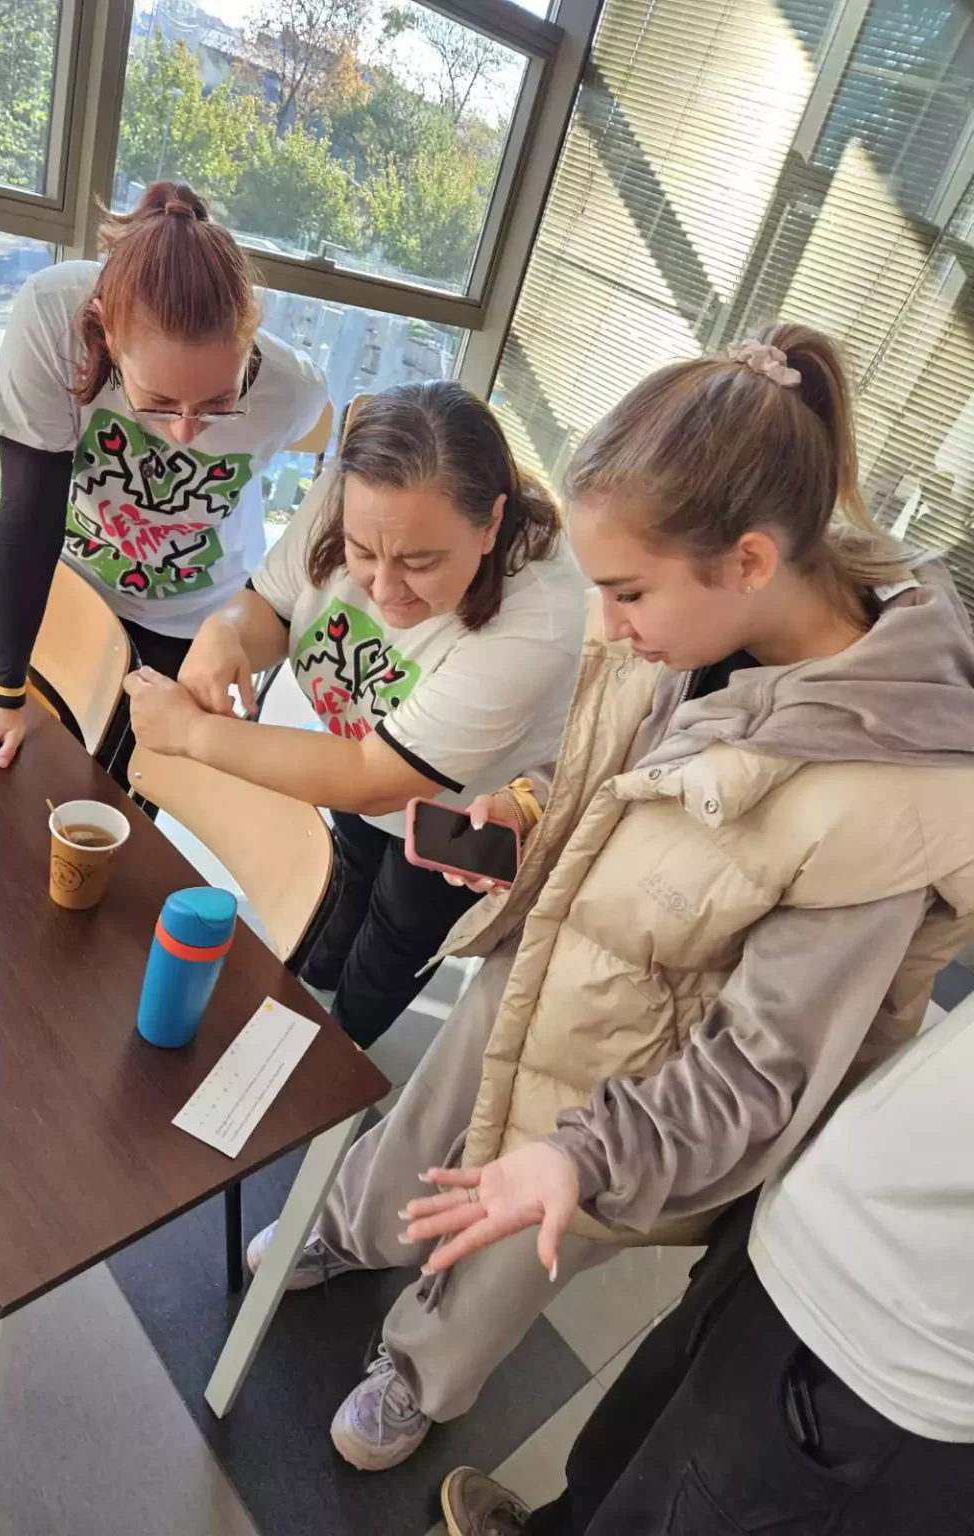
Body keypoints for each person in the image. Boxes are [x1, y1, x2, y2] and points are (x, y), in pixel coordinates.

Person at [240, 325, 974, 1472]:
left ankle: (421, 1373)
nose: (612, 623)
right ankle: (350, 1230)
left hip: (640, 1085)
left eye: (628, 594)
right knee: (430, 1118)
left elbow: (762, 1070)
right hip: (548, 957)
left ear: (747, 560)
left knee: (516, 1238)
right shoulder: (691, 622)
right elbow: (613, 767)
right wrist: (529, 809)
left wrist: (588, 1159)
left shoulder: (893, 798)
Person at [125, 381, 587, 1046]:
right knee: (348, 864)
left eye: (420, 562)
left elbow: (376, 778)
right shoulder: (358, 490)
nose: (384, 588)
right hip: (361, 736)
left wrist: (195, 733)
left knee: (400, 927)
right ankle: (315, 976)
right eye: (362, 553)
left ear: (491, 524)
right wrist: (225, 631)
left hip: (464, 804)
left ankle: (337, 1051)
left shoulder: (540, 618)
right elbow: (272, 607)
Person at [427, 996, 974, 1535]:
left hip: (890, 1365)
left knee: (670, 1513)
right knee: (618, 1451)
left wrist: (598, 1150)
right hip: (793, 1230)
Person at [0, 180, 327, 781]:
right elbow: (29, 512)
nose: (185, 432)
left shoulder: (295, 390)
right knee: (28, 772)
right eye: (157, 402)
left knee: (123, 791)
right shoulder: (54, 315)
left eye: (218, 403)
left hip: (193, 611)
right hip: (71, 584)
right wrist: (4, 696)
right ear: (104, 332)